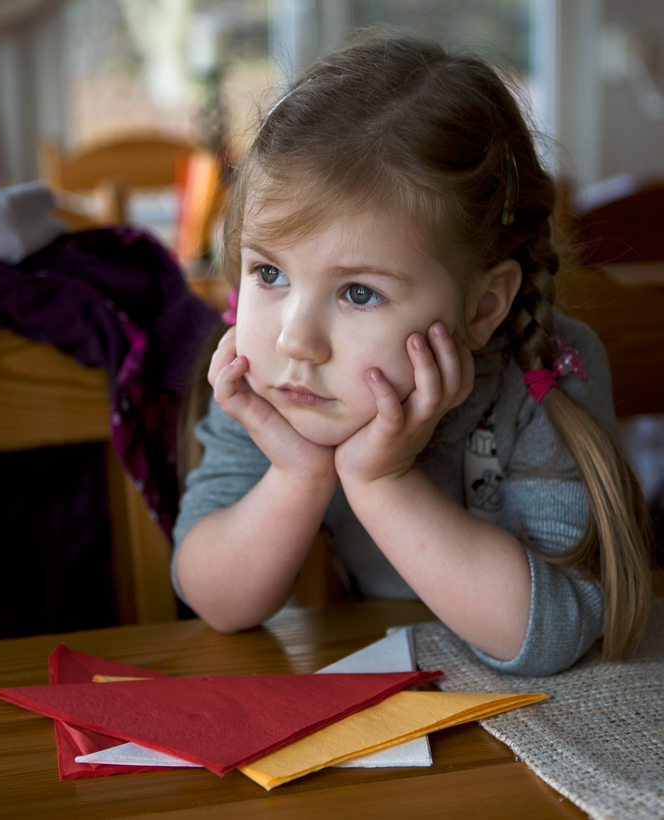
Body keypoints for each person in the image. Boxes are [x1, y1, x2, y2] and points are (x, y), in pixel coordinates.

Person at [173, 34, 652, 675]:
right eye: (268, 274)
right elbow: (216, 603)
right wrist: (297, 474)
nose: (294, 339)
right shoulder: (269, 392)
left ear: (483, 308)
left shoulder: (540, 372)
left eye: (359, 292)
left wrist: (382, 481)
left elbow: (555, 631)